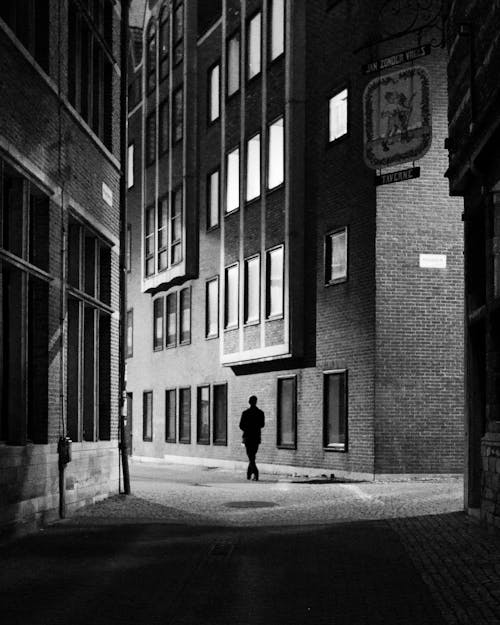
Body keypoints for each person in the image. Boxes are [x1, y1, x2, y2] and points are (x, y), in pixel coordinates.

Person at [239, 395, 265, 481]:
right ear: (256, 402)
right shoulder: (260, 413)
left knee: (251, 456)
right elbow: (262, 425)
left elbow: (241, 426)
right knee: (252, 455)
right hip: (256, 437)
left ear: (249, 402)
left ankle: (255, 473)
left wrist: (247, 429)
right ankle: (249, 474)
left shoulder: (245, 413)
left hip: (247, 437)